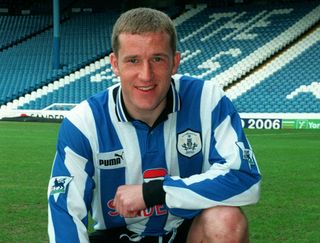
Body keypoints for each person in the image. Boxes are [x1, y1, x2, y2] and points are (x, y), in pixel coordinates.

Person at [48, 7, 261, 243]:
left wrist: (155, 192)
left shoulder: (207, 101)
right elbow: (65, 210)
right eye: (133, 60)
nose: (146, 75)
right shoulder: (84, 122)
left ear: (175, 62)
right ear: (115, 64)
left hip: (186, 231)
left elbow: (245, 179)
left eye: (157, 59)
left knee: (226, 220)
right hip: (117, 236)